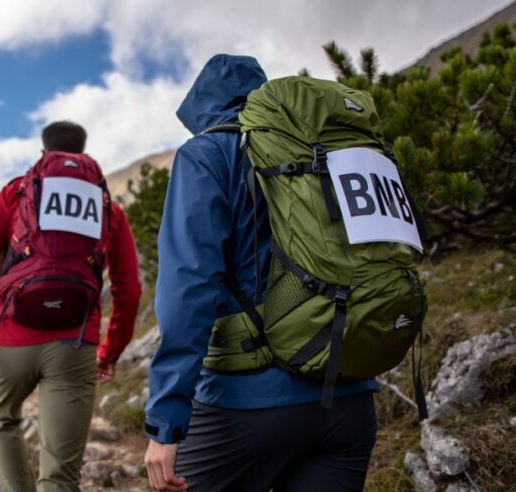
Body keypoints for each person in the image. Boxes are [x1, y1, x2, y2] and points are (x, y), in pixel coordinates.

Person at [144, 55, 379, 492]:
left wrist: (166, 421)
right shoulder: (328, 151)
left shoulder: (208, 153)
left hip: (248, 405)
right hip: (350, 396)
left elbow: (187, 289)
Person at [0, 121, 142, 492]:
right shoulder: (108, 207)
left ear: (44, 152)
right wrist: (110, 352)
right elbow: (129, 290)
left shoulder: (16, 193)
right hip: (74, 343)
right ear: (83, 152)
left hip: (10, 340)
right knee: (61, 477)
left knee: (3, 419)